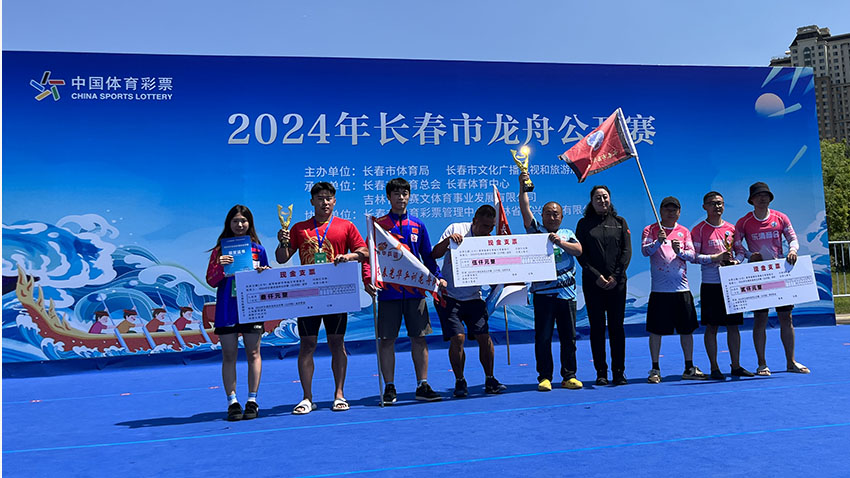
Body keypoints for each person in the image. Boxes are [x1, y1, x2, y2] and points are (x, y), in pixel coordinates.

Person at [277, 182, 369, 414]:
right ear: (312, 202)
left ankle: (339, 394)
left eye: (328, 198)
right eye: (320, 198)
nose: (324, 202)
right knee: (307, 344)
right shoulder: (299, 228)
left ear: (334, 201)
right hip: (308, 295)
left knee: (337, 343)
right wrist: (283, 242)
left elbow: (364, 252)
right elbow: (281, 258)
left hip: (335, 294)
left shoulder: (346, 226)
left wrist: (348, 256)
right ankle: (307, 398)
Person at [372, 178, 446, 404]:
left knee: (419, 338)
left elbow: (427, 257)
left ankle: (422, 384)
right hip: (389, 292)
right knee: (387, 340)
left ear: (409, 196)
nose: (401, 197)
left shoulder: (418, 225)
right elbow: (370, 256)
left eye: (405, 193)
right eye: (396, 193)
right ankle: (389, 387)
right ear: (388, 197)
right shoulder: (379, 225)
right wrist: (369, 279)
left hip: (415, 291)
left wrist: (438, 277)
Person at [733, 181, 808, 376]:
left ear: (770, 198)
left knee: (786, 317)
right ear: (751, 200)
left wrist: (792, 251)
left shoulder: (780, 217)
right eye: (758, 195)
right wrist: (750, 256)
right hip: (757, 274)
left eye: (765, 195)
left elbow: (792, 238)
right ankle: (762, 364)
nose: (762, 198)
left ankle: (791, 362)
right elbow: (737, 245)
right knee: (760, 319)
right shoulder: (743, 222)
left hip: (779, 272)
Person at [518, 172, 583, 392]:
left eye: (556, 214)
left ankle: (569, 376)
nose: (552, 217)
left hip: (567, 295)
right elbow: (525, 208)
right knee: (543, 338)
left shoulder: (567, 233)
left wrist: (561, 242)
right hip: (543, 296)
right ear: (542, 216)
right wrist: (522, 186)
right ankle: (544, 377)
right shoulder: (535, 230)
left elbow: (579, 250)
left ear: (561, 217)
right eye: (548, 213)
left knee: (568, 338)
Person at [432, 205, 507, 396]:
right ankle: (460, 381)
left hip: (474, 297)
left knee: (484, 337)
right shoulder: (456, 229)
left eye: (491, 227)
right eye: (484, 226)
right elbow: (435, 254)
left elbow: (494, 274)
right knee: (458, 338)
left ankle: (490, 379)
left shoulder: (490, 242)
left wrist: (506, 280)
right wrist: (448, 241)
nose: (487, 230)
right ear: (474, 221)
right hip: (450, 296)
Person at [205, 204, 270, 421]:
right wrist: (219, 267)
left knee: (254, 353)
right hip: (227, 309)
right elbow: (211, 280)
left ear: (249, 223)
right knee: (229, 355)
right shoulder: (219, 252)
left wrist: (262, 272)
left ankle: (252, 400)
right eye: (235, 221)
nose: (239, 225)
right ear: (229, 224)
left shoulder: (258, 250)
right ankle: (232, 402)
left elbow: (267, 279)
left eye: (243, 221)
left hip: (252, 307)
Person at [641, 196, 706, 383]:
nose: (671, 212)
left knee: (687, 330)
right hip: (659, 291)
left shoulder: (684, 231)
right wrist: (657, 242)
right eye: (667, 209)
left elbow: (692, 255)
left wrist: (680, 252)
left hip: (681, 290)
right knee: (656, 331)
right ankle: (655, 369)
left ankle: (689, 367)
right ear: (661, 211)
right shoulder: (651, 230)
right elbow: (645, 251)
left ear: (679, 212)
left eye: (674, 209)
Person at [691, 191, 755, 380]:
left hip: (731, 283)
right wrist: (715, 258)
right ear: (704, 207)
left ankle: (736, 365)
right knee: (712, 327)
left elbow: (740, 251)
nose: (717, 206)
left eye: (720, 203)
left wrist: (736, 261)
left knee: (733, 326)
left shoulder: (731, 228)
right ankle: (714, 367)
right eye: (712, 203)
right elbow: (694, 257)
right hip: (711, 284)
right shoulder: (699, 230)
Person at [575, 185, 631, 386]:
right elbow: (581, 255)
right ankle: (601, 372)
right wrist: (596, 276)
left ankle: (619, 372)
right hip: (593, 284)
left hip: (617, 284)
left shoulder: (620, 222)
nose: (602, 200)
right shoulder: (583, 224)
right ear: (591, 201)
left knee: (617, 327)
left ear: (610, 199)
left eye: (605, 197)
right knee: (597, 328)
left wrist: (615, 276)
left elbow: (626, 252)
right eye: (597, 198)